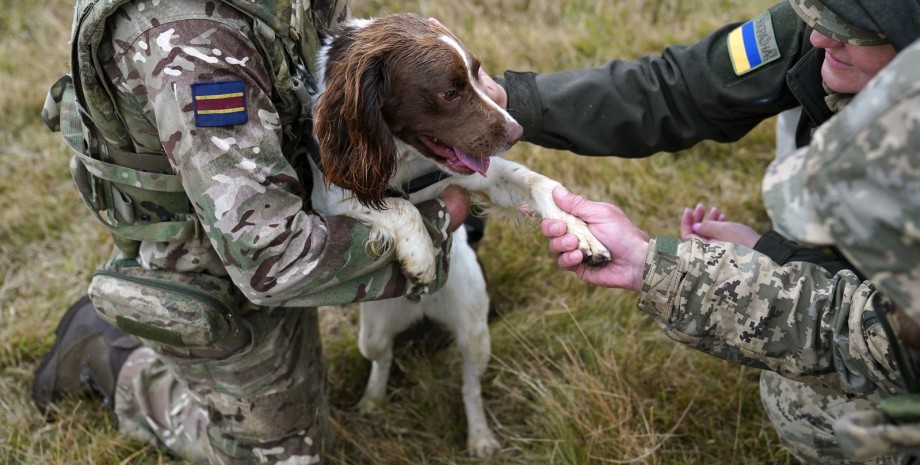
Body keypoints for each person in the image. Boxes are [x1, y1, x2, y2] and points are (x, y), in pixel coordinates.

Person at [33, 0, 470, 463]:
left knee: (303, 417)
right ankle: (114, 360)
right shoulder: (195, 45)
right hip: (215, 263)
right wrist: (435, 224)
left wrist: (465, 107)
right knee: (286, 457)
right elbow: (268, 258)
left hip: (291, 194)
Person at [540, 36, 920, 464]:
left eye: (855, 29)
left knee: (804, 403)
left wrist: (659, 265)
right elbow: (861, 327)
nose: (819, 36)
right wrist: (657, 260)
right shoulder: (822, 31)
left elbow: (861, 337)